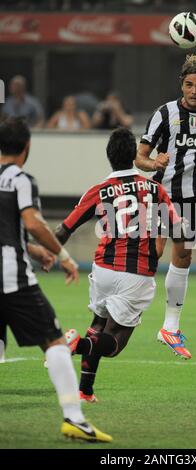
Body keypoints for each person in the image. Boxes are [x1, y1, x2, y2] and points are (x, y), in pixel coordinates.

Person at [0, 117, 112, 442]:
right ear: (27, 147)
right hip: (11, 279)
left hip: (11, 265)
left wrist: (34, 252)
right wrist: (62, 256)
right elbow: (32, 222)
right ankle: (74, 418)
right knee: (55, 342)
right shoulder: (21, 179)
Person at [55, 127, 183, 402]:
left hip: (102, 269)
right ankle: (74, 344)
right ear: (134, 156)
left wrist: (47, 253)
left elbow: (64, 230)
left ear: (109, 156)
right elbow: (178, 229)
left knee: (98, 323)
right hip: (136, 274)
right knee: (113, 344)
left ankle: (85, 391)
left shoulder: (99, 190)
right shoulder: (155, 189)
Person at [135, 53, 196, 360]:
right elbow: (139, 157)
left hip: (192, 196)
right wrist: (154, 163)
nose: (195, 91)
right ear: (182, 84)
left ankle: (170, 327)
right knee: (153, 253)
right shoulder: (164, 114)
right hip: (162, 193)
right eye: (190, 85)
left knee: (184, 255)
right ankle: (122, 307)